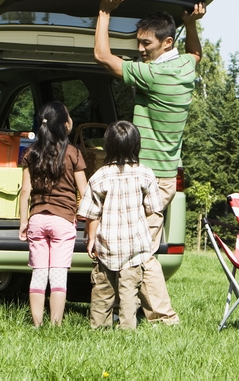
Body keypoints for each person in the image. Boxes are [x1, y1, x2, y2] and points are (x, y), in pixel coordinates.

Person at [92, 0, 206, 326]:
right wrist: (193, 25)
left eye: (147, 44)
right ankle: (158, 315)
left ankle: (163, 316)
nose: (140, 50)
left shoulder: (155, 74)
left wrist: (104, 11)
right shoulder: (186, 68)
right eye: (139, 43)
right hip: (165, 175)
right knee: (143, 247)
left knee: (142, 251)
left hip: (149, 179)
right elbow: (195, 53)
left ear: (166, 44)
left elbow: (102, 56)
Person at [78, 120, 163, 329]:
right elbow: (153, 208)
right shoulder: (146, 173)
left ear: (108, 146)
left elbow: (92, 213)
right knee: (129, 291)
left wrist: (91, 240)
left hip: (106, 244)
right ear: (136, 145)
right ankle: (127, 329)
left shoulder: (99, 176)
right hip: (135, 246)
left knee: (102, 290)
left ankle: (98, 327)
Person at [17, 101, 88, 327]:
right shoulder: (73, 153)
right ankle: (56, 325)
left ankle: (37, 325)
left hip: (37, 219)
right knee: (58, 276)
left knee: (38, 274)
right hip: (63, 221)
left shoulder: (31, 153)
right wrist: (89, 220)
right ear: (65, 125)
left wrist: (23, 222)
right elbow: (84, 191)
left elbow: (25, 191)